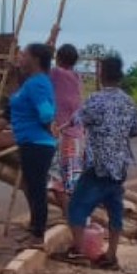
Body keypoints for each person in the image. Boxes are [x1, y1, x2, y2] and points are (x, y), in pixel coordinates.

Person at [61, 54, 137, 271]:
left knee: (77, 207)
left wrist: (61, 127)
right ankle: (111, 254)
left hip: (97, 165)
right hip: (119, 166)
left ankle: (78, 250)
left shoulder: (96, 100)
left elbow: (77, 120)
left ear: (102, 74)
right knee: (115, 210)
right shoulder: (129, 102)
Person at [0, 42, 57, 247]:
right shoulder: (31, 82)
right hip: (30, 142)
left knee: (37, 189)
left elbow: (46, 112)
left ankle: (38, 235)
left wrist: (47, 125)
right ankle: (34, 229)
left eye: (24, 55)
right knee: (31, 187)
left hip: (37, 144)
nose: (20, 59)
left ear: (35, 60)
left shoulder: (37, 83)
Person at [50, 44, 85, 197]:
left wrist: (51, 37)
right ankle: (74, 212)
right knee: (71, 178)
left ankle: (70, 214)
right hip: (77, 134)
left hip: (62, 132)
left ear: (57, 58)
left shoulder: (56, 74)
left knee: (58, 179)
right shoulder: (76, 77)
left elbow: (41, 62)